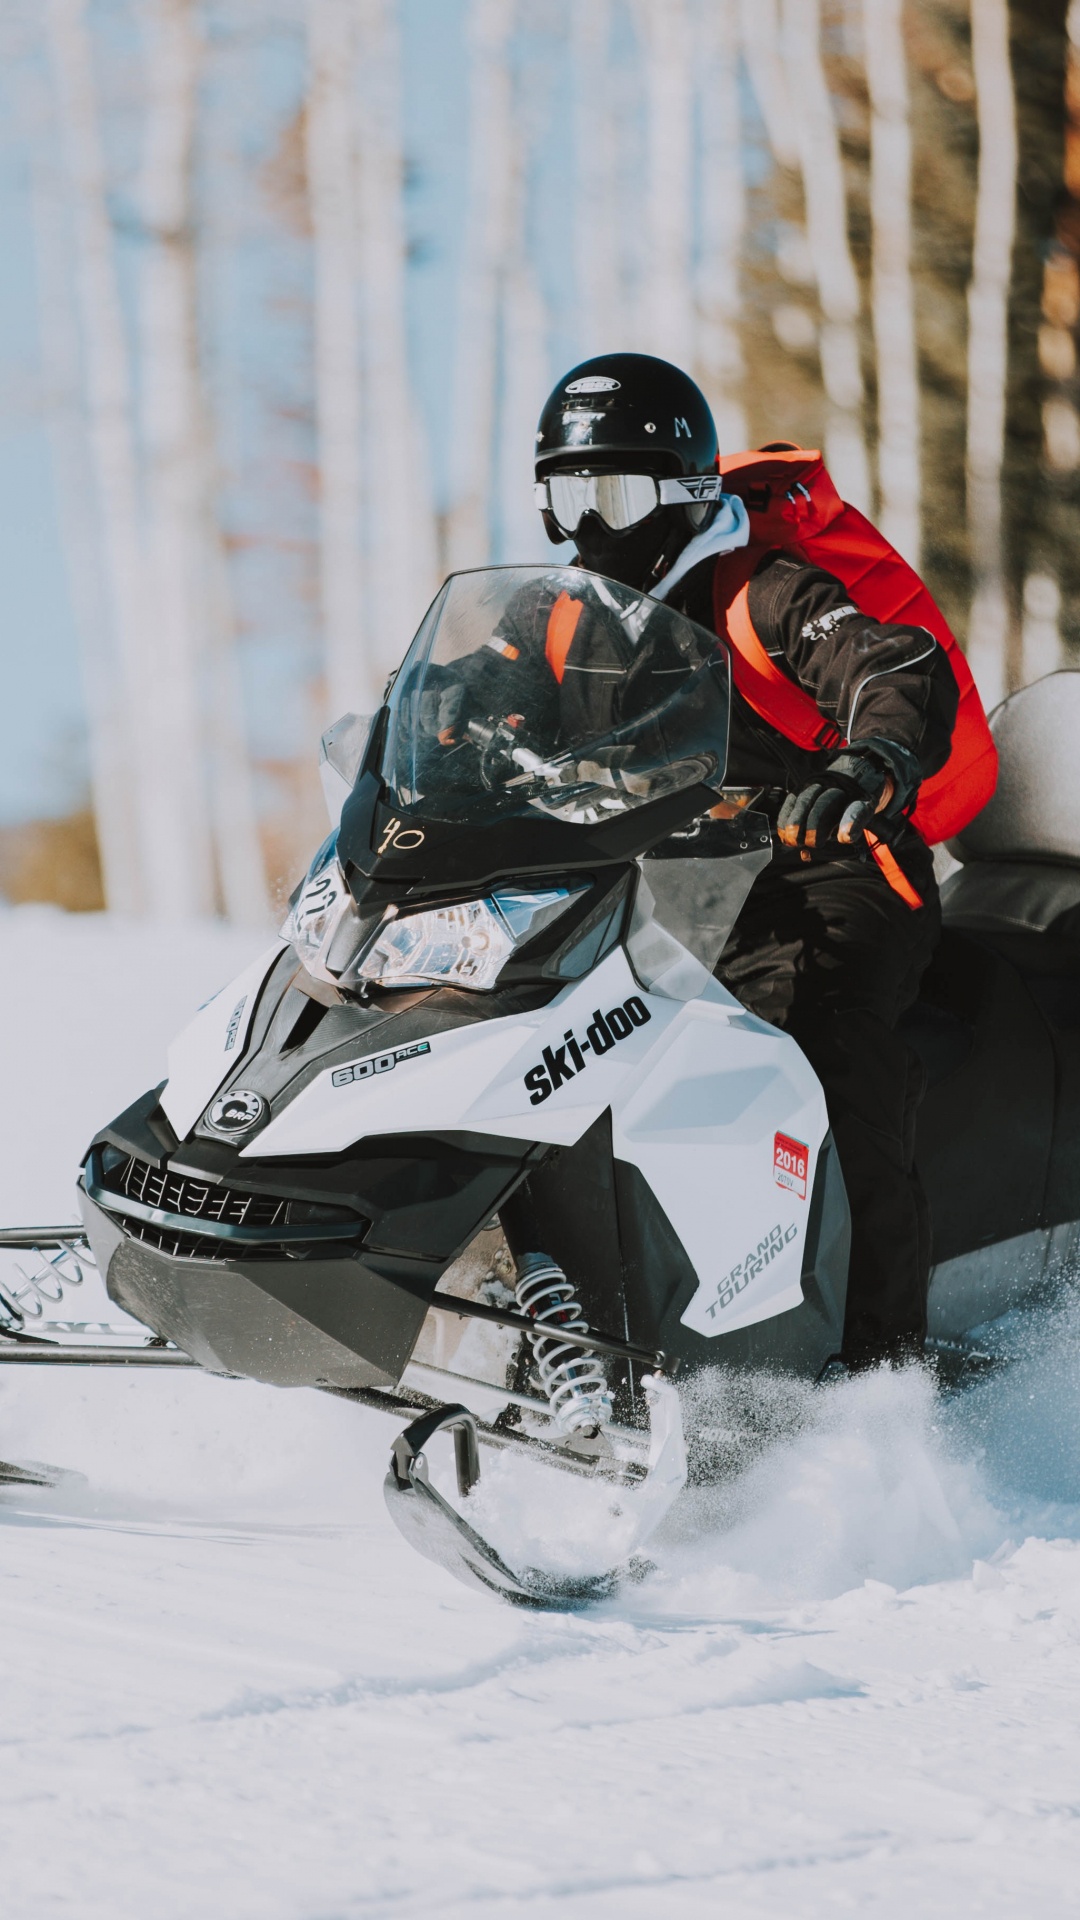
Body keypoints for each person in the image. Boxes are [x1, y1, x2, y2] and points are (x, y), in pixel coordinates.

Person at [526, 351, 962, 1371]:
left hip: (834, 874)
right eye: (567, 495)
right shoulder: (561, 619)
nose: (591, 526)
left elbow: (888, 662)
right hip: (669, 895)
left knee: (816, 1045)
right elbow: (477, 705)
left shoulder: (758, 588)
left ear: (679, 493)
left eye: (616, 494)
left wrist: (871, 757)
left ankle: (875, 1360)